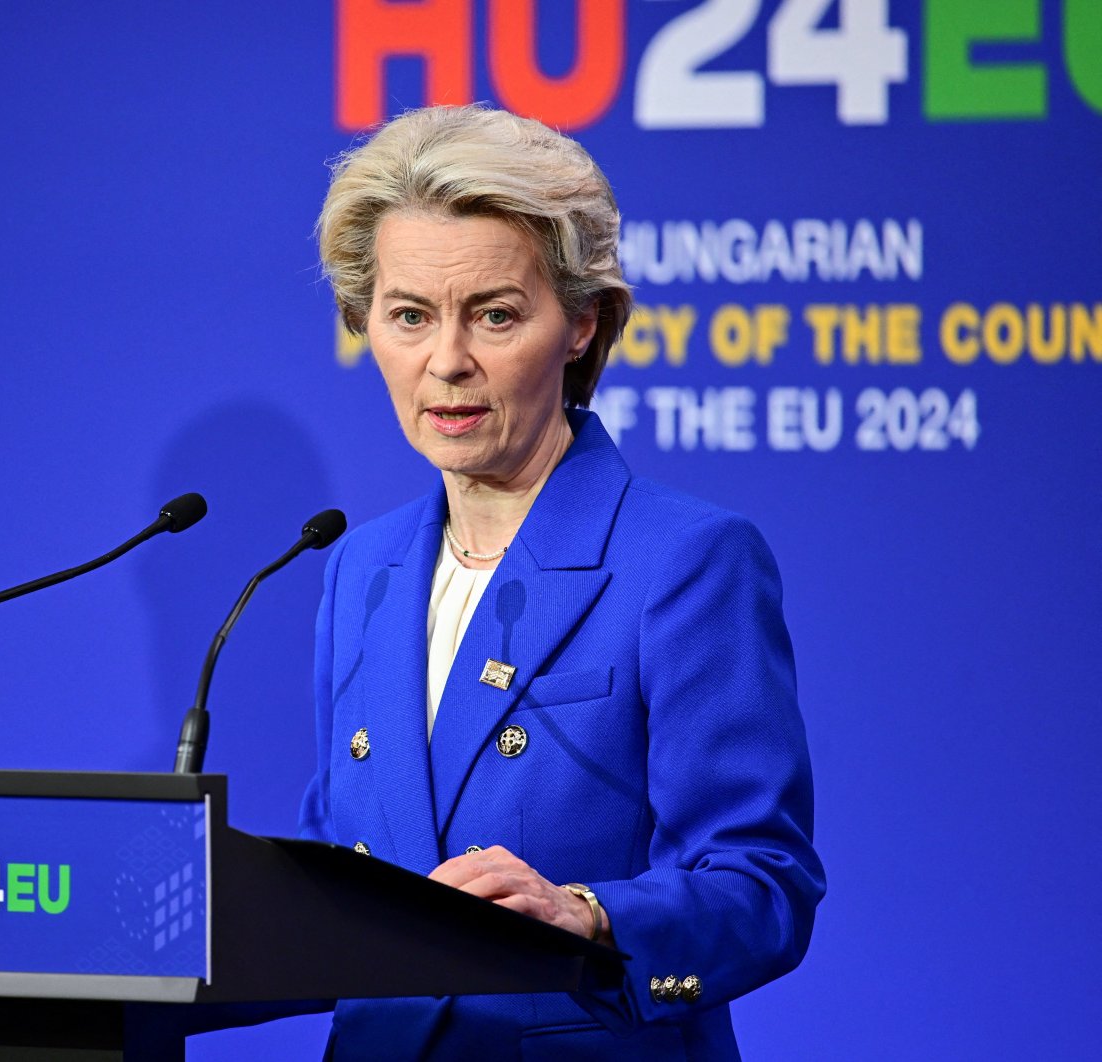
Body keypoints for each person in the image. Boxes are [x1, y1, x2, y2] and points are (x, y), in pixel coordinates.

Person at [298, 104, 825, 1060]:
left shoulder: (686, 559)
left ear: (581, 322)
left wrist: (590, 916)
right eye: (409, 315)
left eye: (495, 314)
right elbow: (331, 882)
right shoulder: (358, 569)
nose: (447, 361)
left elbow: (765, 888)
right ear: (366, 326)